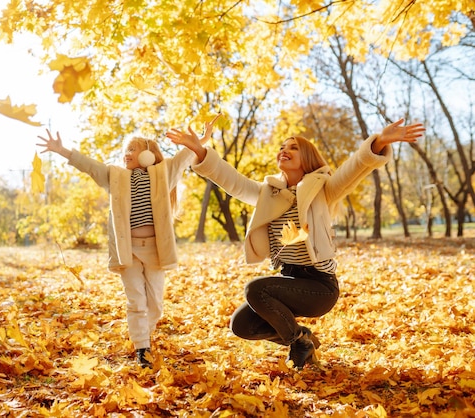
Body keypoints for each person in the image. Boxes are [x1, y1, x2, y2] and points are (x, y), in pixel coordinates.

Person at [166, 118, 425, 369]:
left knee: (255, 289)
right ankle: (303, 339)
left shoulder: (324, 188)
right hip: (288, 281)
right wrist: (199, 150)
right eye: (282, 147)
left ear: (307, 158)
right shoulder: (268, 192)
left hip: (319, 286)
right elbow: (231, 181)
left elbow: (355, 168)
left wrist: (379, 142)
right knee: (241, 325)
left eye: (293, 147)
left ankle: (296, 345)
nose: (284, 150)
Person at [36, 116, 218, 368]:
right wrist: (61, 150)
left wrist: (203, 139)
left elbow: (186, 155)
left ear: (148, 153)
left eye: (132, 149)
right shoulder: (116, 177)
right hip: (128, 250)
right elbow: (90, 166)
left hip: (155, 249)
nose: (126, 154)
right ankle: (142, 348)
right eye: (125, 151)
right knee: (135, 300)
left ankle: (144, 330)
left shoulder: (164, 173)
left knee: (155, 305)